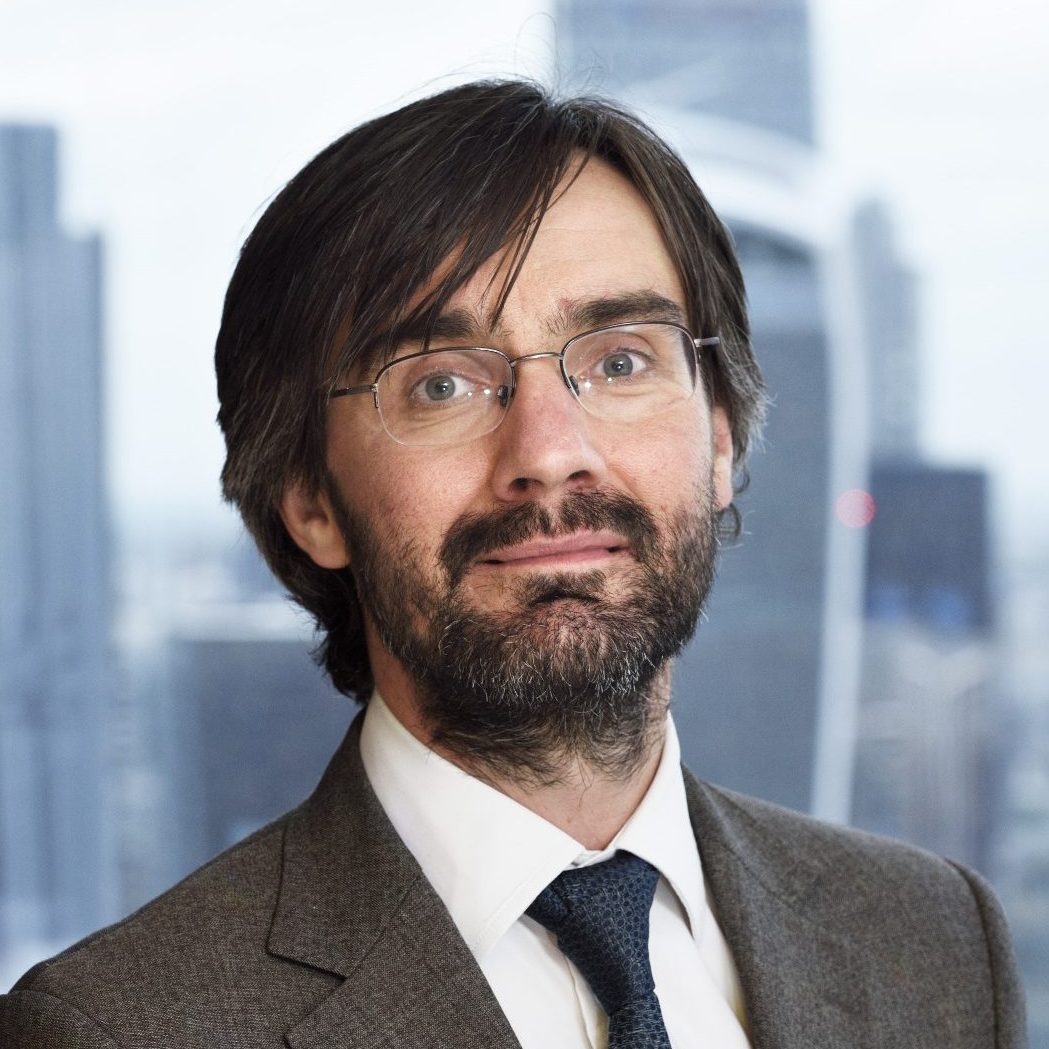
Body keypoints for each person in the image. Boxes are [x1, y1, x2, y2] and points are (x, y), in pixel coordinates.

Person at [0, 79, 1026, 1049]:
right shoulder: (116, 1028)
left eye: (620, 361)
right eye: (440, 385)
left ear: (718, 441)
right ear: (309, 499)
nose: (549, 451)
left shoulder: (934, 940)